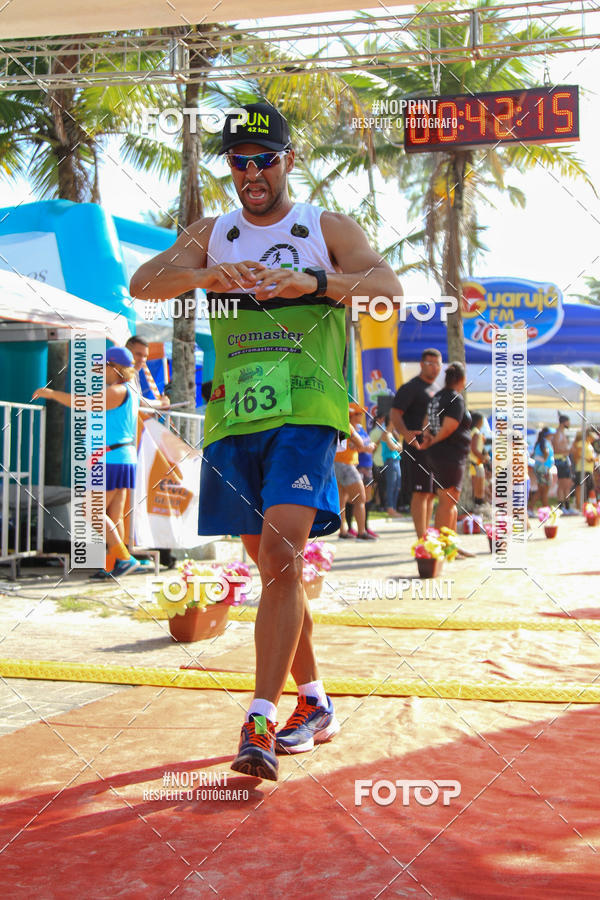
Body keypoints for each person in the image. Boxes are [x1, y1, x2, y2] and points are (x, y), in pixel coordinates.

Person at [130, 101, 403, 781]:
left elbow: (388, 292)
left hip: (306, 409)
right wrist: (204, 275)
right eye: (239, 162)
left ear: (288, 160)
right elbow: (144, 283)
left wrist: (311, 281)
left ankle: (259, 717)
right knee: (273, 571)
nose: (251, 173)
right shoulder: (212, 231)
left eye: (264, 159)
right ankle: (314, 702)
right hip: (235, 418)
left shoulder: (323, 226)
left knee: (283, 551)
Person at [33, 347, 141, 578]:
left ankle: (124, 558)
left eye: (103, 366)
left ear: (115, 367)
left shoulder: (116, 391)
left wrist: (51, 394)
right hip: (119, 457)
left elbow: (83, 402)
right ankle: (114, 565)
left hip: (110, 459)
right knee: (113, 516)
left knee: (91, 511)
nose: (99, 370)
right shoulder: (128, 390)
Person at [390, 348, 442, 537]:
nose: (434, 368)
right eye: (430, 363)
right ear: (421, 364)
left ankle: (427, 534)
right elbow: (395, 413)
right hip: (416, 443)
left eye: (437, 364)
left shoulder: (437, 390)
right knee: (420, 492)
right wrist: (406, 434)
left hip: (434, 446)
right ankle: (422, 538)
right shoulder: (411, 387)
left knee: (430, 493)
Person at [421, 361, 471, 532]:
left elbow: (426, 422)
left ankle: (451, 543)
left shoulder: (436, 397)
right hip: (449, 454)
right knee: (447, 500)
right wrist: (434, 440)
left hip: (440, 454)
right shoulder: (455, 399)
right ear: (462, 379)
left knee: (450, 500)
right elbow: (449, 427)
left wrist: (428, 437)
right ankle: (442, 544)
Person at [334, 406, 377, 540]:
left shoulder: (337, 424)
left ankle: (343, 531)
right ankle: (361, 532)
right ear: (351, 415)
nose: (361, 416)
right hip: (346, 464)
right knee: (360, 498)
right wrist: (366, 447)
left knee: (342, 501)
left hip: (336, 464)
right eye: (358, 414)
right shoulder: (347, 425)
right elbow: (357, 443)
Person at [125, 335, 171, 411]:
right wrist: (161, 403)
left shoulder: (134, 373)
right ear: (127, 352)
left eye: (145, 356)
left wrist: (157, 411)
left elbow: (137, 408)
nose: (142, 359)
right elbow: (137, 401)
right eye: (138, 354)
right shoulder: (121, 373)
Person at [380, 414, 403, 517]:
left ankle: (393, 507)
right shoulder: (386, 433)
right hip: (390, 462)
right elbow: (392, 447)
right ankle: (390, 508)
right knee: (391, 485)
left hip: (396, 461)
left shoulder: (392, 434)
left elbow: (400, 447)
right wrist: (397, 446)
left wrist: (397, 446)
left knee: (397, 486)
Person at [552, 414, 575, 513]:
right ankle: (561, 507)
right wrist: (567, 451)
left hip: (564, 460)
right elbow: (556, 449)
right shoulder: (557, 434)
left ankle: (567, 506)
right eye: (568, 421)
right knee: (562, 484)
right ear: (564, 422)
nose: (569, 424)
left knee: (567, 484)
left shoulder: (562, 433)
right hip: (560, 461)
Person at [571, 430, 597, 508]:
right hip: (581, 468)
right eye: (592, 438)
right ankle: (579, 505)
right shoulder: (581, 443)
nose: (593, 440)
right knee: (580, 486)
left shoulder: (589, 445)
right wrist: (587, 459)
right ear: (588, 436)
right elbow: (577, 454)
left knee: (590, 487)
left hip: (589, 469)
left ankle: (589, 504)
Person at [469, 412, 488, 507]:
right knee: (478, 488)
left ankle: (477, 505)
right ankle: (477, 506)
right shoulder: (476, 432)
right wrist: (483, 457)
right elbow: (474, 449)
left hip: (475, 463)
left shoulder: (473, 431)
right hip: (476, 463)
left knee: (476, 487)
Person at [533, 426, 554, 508]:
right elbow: (546, 452)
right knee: (543, 490)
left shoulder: (542, 442)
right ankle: (545, 509)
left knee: (542, 490)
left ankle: (543, 508)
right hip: (543, 469)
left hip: (543, 468)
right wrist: (545, 460)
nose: (552, 435)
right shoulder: (544, 442)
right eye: (551, 434)